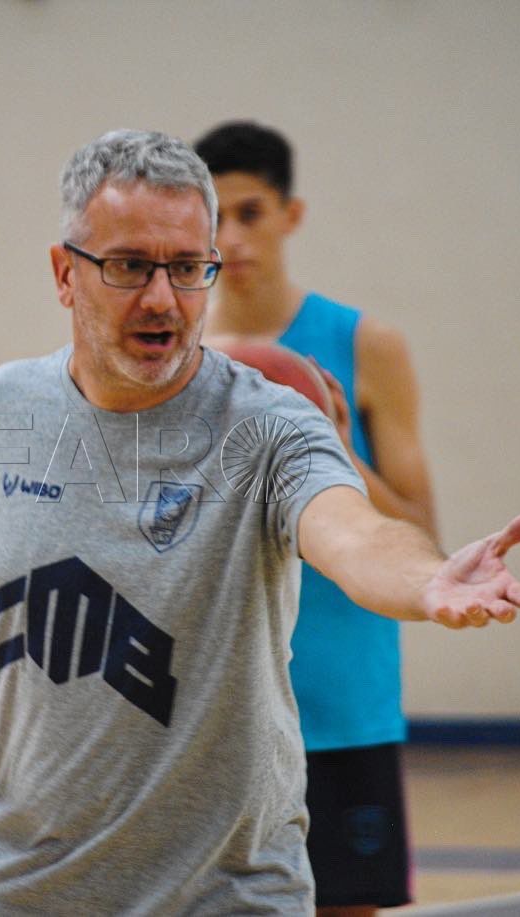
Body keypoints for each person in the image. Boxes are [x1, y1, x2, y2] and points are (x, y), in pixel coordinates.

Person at [0, 129, 520, 916]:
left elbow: (351, 534)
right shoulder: (4, 410)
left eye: (187, 269)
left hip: (223, 896)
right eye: (128, 266)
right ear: (63, 273)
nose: (161, 298)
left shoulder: (267, 423)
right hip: (17, 889)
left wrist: (427, 579)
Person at [194, 120, 434, 916]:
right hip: (221, 711)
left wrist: (336, 450)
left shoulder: (364, 344)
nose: (231, 237)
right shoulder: (175, 354)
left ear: (291, 214)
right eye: (214, 217)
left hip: (341, 702)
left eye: (251, 212)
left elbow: (420, 534)